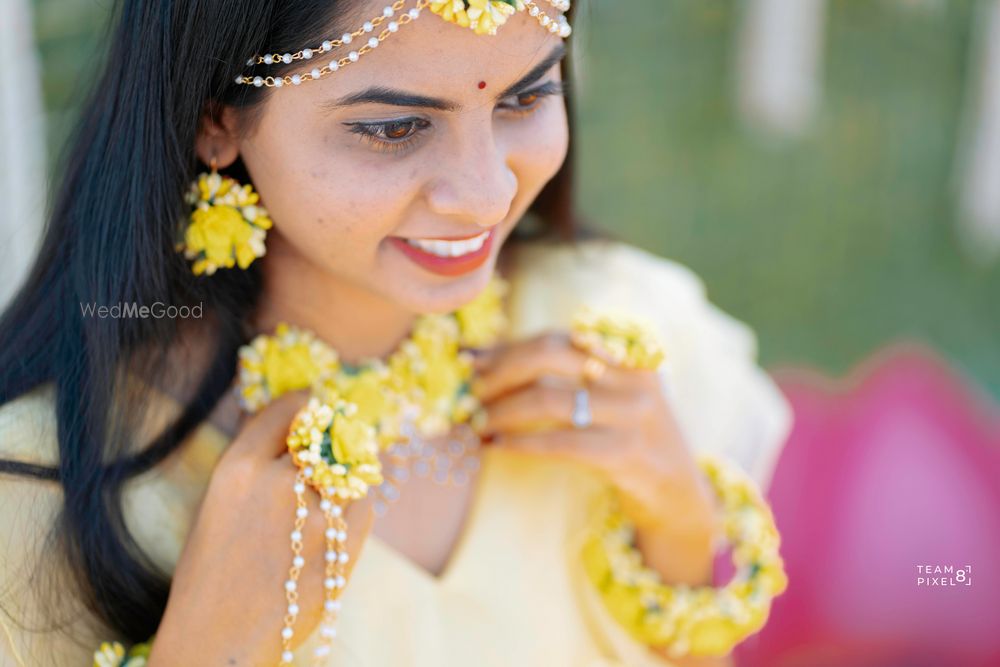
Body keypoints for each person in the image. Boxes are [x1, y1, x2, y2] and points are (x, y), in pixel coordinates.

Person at [0, 1, 792, 665]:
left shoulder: (625, 333)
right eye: (392, 128)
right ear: (218, 120)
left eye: (524, 96)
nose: (484, 196)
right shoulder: (47, 489)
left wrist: (678, 523)